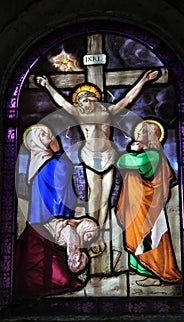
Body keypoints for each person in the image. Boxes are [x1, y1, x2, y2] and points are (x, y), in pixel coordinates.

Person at [35, 70, 159, 256]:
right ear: (79, 103)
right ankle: (90, 235)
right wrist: (47, 86)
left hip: (108, 156)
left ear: (95, 100)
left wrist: (144, 80)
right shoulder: (78, 114)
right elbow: (61, 102)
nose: (87, 103)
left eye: (90, 99)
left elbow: (128, 99)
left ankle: (98, 235)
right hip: (91, 158)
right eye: (83, 101)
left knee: (105, 198)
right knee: (94, 197)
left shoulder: (108, 112)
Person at [116, 119, 182, 286]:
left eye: (142, 132)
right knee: (137, 237)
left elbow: (126, 163)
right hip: (137, 205)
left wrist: (131, 152)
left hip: (147, 207)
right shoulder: (147, 154)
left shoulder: (152, 155)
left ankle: (156, 273)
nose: (137, 135)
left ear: (151, 136)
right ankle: (144, 271)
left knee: (149, 238)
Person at [15, 217, 98, 297]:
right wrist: (84, 257)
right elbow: (73, 266)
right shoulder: (73, 234)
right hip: (39, 239)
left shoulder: (70, 230)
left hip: (37, 236)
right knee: (63, 279)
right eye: (89, 235)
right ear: (83, 230)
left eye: (91, 239)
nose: (88, 240)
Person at [23, 124, 77, 224]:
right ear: (35, 143)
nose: (48, 135)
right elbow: (64, 169)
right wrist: (58, 151)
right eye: (43, 134)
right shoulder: (46, 163)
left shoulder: (39, 164)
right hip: (52, 219)